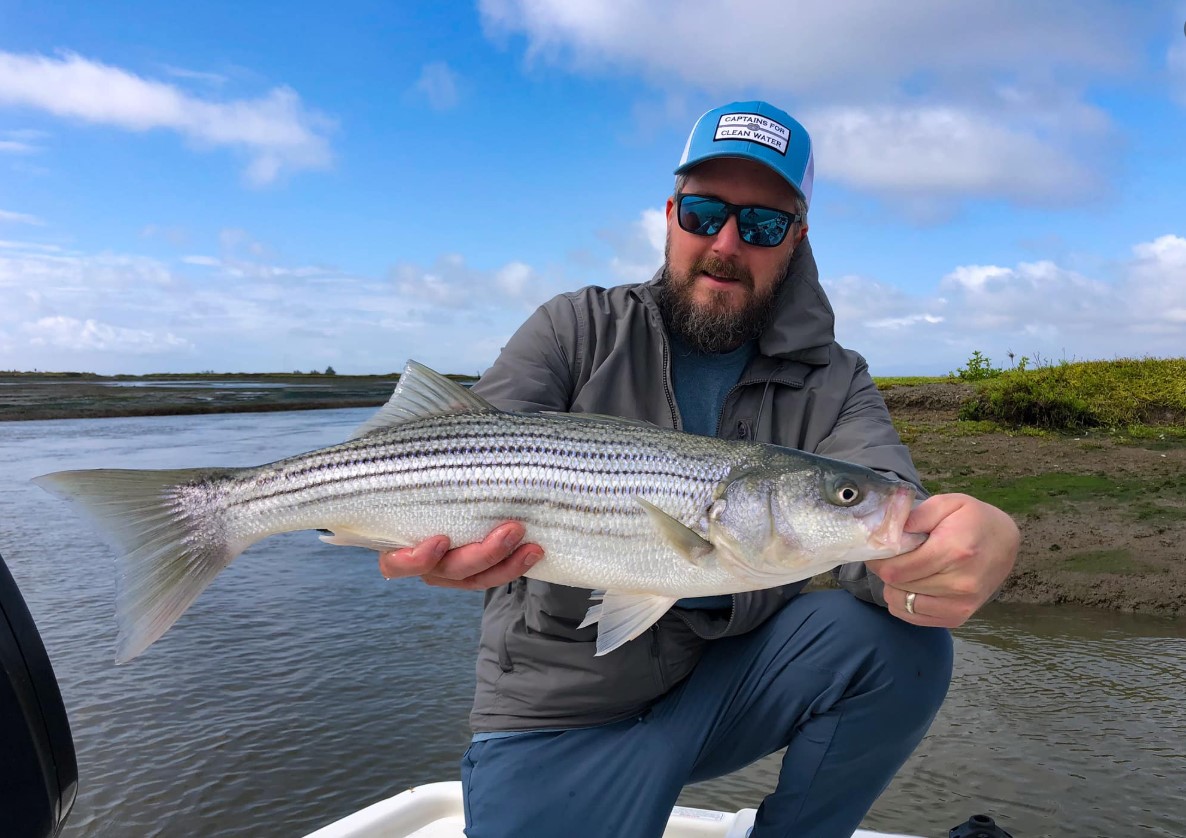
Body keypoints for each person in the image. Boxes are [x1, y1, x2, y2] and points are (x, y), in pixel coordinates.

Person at [379, 101, 1019, 838]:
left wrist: (970, 543)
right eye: (703, 212)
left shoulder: (837, 381)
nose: (724, 243)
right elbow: (456, 451)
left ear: (797, 237)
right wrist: (433, 543)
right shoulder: (574, 328)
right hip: (559, 712)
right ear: (669, 213)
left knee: (898, 642)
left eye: (761, 225)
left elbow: (880, 511)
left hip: (727, 691)